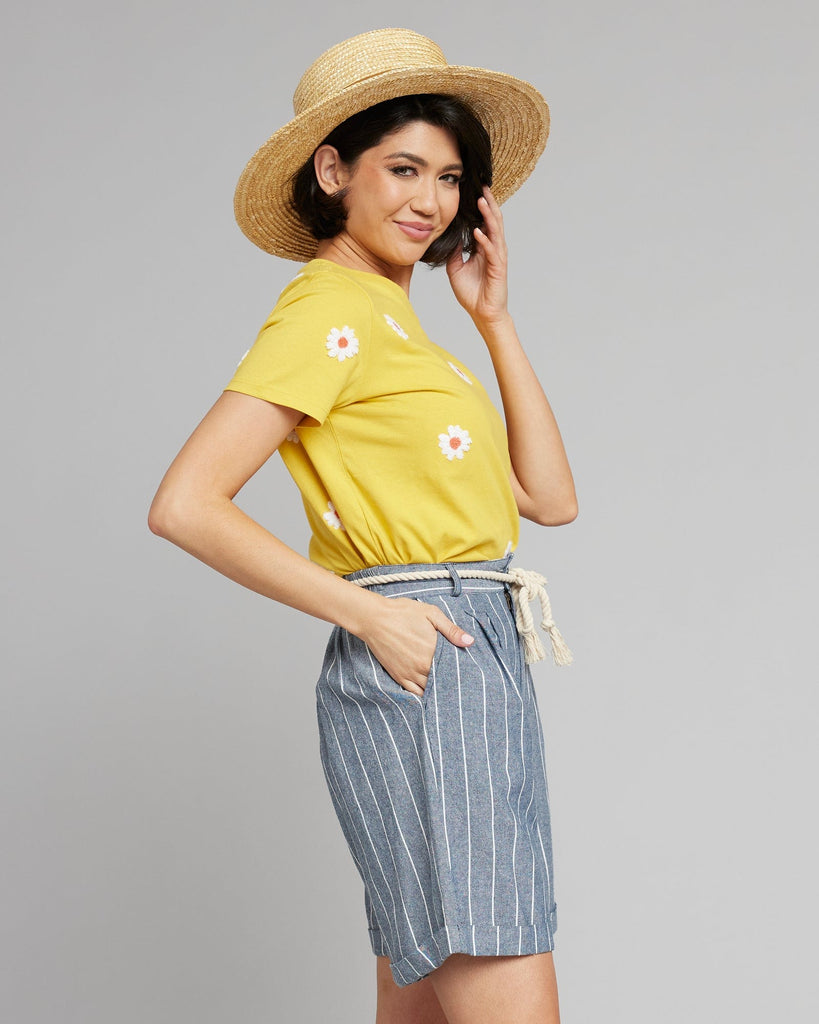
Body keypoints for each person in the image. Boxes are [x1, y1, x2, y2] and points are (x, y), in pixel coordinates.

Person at [149, 27, 577, 1024]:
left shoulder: (401, 326)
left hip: (469, 651)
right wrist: (370, 616)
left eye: (449, 177)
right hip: (431, 649)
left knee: (424, 986)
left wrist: (495, 319)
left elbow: (549, 498)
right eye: (402, 168)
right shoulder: (328, 311)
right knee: (489, 961)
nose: (430, 201)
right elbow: (185, 502)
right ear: (332, 170)